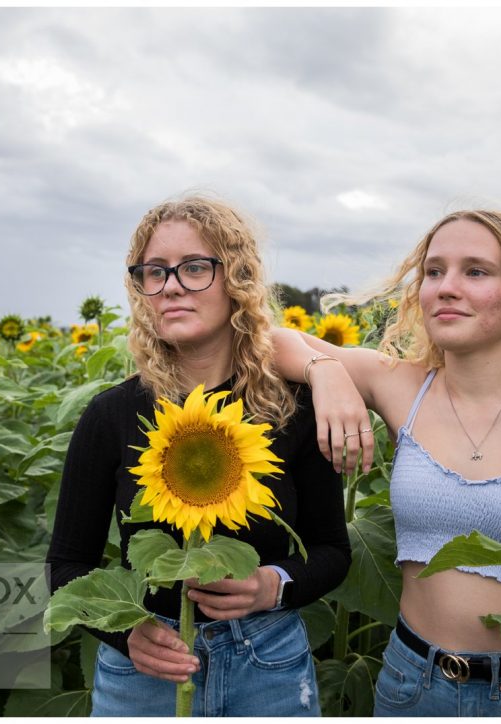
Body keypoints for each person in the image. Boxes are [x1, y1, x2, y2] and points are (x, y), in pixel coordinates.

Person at [273, 210, 501, 716]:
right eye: (433, 272)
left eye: (475, 271)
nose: (446, 287)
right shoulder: (401, 386)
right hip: (414, 685)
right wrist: (327, 372)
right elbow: (267, 341)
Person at [47, 195, 351, 717]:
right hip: (144, 671)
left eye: (194, 268)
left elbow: (330, 549)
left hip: (266, 661)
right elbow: (66, 563)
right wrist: (125, 633)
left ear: (236, 278)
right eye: (154, 272)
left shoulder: (290, 410)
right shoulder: (113, 415)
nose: (170, 286)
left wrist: (270, 586)